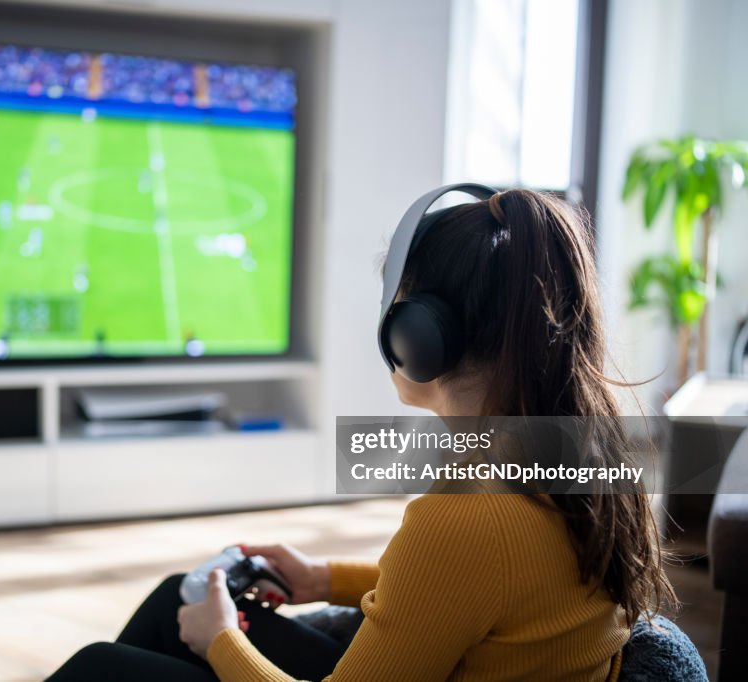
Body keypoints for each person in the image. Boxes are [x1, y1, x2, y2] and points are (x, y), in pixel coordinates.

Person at [46, 189, 675, 682]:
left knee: (101, 668)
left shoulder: (467, 517)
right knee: (172, 602)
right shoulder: (581, 454)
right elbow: (480, 588)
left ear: (418, 337)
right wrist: (324, 578)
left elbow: (465, 560)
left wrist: (220, 641)